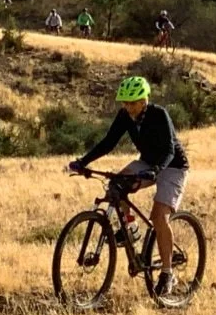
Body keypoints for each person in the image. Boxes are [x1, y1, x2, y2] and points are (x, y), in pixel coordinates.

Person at [69, 76, 189, 297]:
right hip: (147, 162)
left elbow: (170, 150)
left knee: (159, 217)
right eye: (124, 102)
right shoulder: (125, 116)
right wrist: (83, 162)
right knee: (116, 185)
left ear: (143, 100)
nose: (127, 107)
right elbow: (108, 142)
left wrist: (156, 170)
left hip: (172, 166)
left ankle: (167, 272)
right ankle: (131, 229)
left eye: (132, 103)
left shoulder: (159, 114)